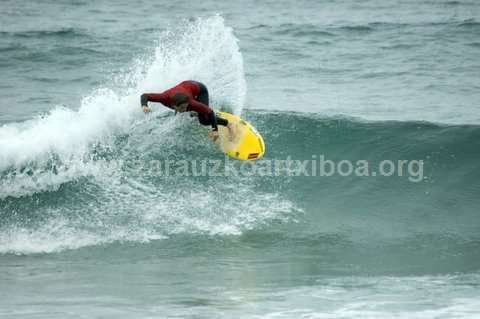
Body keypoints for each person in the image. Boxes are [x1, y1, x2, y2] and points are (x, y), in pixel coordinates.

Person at [140, 80, 232, 140]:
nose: (185, 109)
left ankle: (229, 124)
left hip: (200, 89)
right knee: (193, 113)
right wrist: (144, 106)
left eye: (186, 107)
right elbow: (145, 96)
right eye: (182, 108)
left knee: (204, 120)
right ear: (174, 105)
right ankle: (199, 112)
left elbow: (210, 111)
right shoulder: (164, 97)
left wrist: (215, 130)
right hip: (186, 87)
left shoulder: (190, 103)